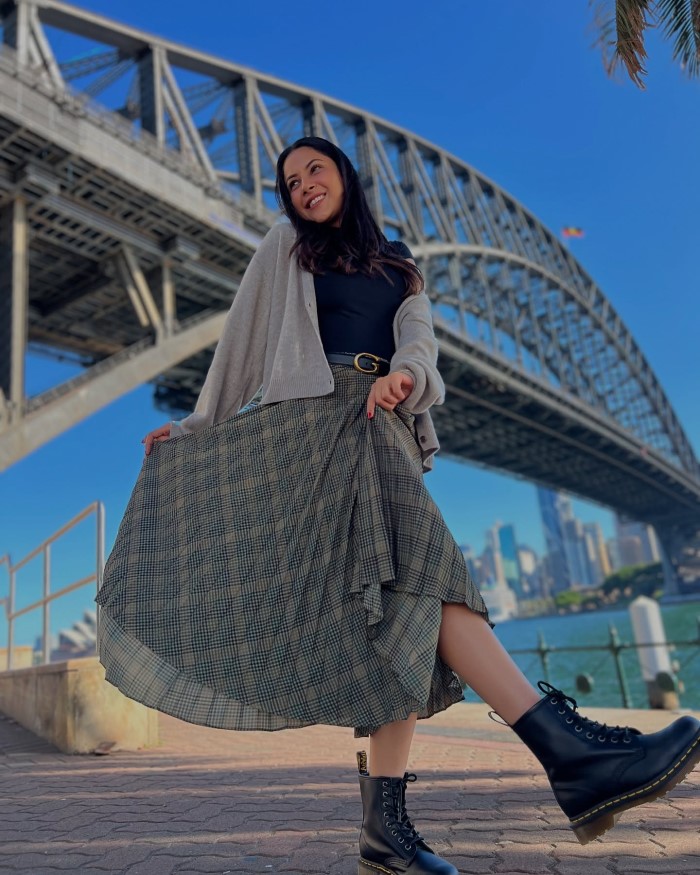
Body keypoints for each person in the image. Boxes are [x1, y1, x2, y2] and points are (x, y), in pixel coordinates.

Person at [96, 136, 700, 875]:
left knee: (405, 610)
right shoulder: (286, 248)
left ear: (345, 176)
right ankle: (569, 753)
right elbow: (240, 354)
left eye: (316, 169)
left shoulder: (401, 264)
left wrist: (405, 378)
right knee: (432, 579)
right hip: (315, 431)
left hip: (382, 427)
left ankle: (387, 831)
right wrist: (194, 428)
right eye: (290, 180)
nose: (303, 185)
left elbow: (419, 342)